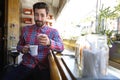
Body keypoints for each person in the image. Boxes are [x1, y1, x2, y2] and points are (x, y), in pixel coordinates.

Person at [3, 2, 64, 80]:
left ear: (47, 16)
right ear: (33, 14)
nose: (39, 18)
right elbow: (18, 46)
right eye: (36, 14)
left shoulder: (53, 32)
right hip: (25, 66)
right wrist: (23, 49)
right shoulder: (26, 29)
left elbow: (61, 47)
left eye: (42, 15)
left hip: (43, 69)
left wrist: (49, 42)